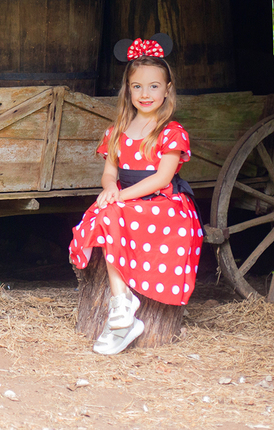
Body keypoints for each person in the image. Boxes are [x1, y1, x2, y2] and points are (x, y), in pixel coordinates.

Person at [69, 37, 203, 355]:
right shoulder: (118, 130)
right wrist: (110, 188)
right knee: (104, 217)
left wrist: (120, 197)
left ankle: (123, 311)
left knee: (113, 214)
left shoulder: (171, 132)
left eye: (154, 86)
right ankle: (122, 305)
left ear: (168, 89)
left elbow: (161, 178)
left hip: (162, 204)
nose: (145, 94)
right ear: (128, 90)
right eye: (137, 87)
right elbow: (109, 172)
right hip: (127, 199)